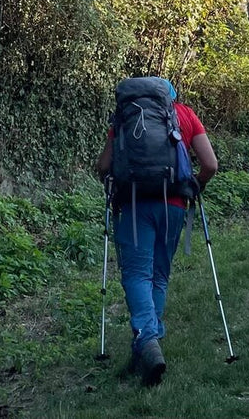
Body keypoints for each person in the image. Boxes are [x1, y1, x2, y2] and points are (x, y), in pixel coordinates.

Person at [94, 79, 218, 387]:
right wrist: (195, 186)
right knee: (159, 275)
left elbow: (103, 164)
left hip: (135, 206)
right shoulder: (185, 115)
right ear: (170, 94)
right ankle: (150, 341)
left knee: (137, 274)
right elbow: (211, 164)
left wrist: (112, 184)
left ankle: (147, 340)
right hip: (174, 205)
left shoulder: (127, 115)